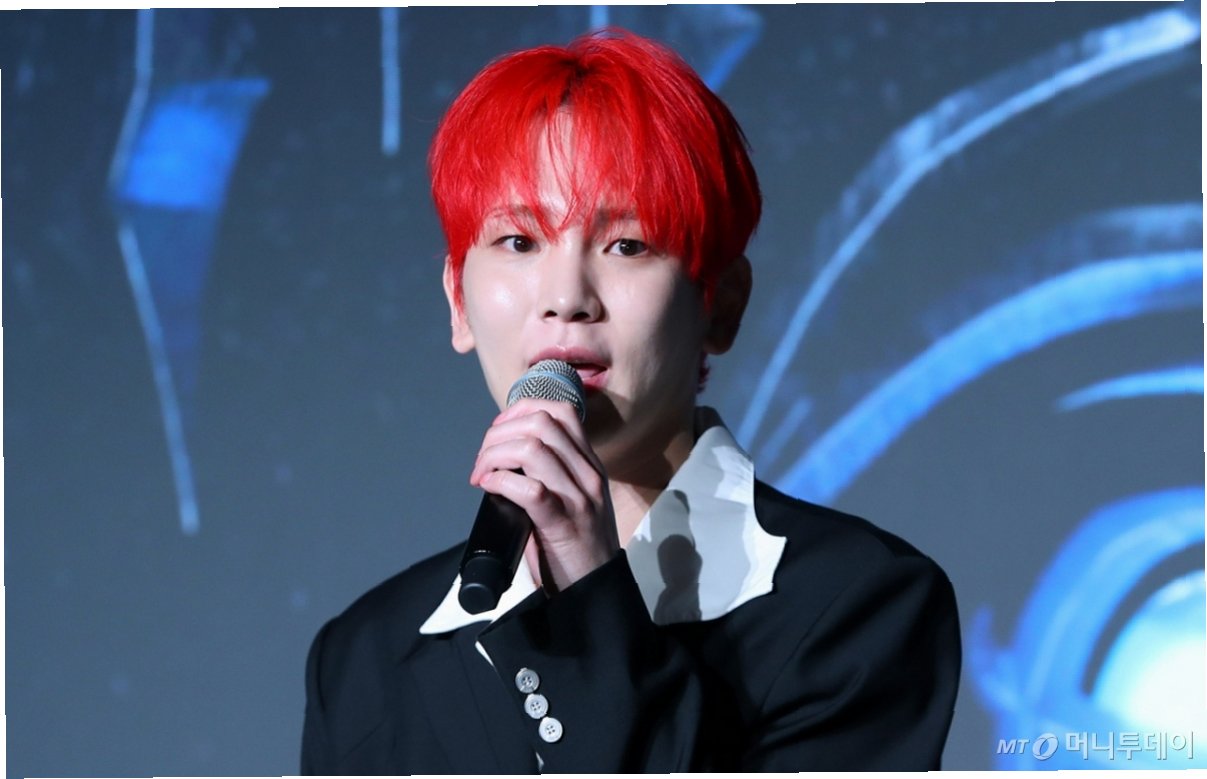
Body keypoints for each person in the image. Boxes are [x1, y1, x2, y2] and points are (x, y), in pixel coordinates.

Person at [301, 28, 960, 774]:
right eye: (519, 241)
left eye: (627, 245)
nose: (566, 298)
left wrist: (590, 593)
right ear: (458, 301)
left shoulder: (861, 605)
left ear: (720, 303)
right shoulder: (363, 657)